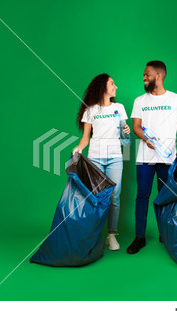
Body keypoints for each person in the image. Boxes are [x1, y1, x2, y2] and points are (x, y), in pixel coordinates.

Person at [127, 61, 177, 254]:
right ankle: (139, 237)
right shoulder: (140, 101)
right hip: (145, 157)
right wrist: (144, 138)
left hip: (167, 157)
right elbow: (136, 126)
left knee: (165, 196)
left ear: (159, 76)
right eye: (144, 75)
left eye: (147, 74)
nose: (144, 77)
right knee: (142, 196)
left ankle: (165, 234)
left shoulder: (176, 99)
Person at [73, 73, 130, 251]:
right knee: (95, 196)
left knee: (114, 195)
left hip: (115, 157)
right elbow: (85, 138)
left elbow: (125, 141)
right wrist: (79, 148)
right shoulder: (90, 110)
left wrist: (126, 132)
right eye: (112, 83)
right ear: (102, 87)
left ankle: (111, 235)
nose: (116, 87)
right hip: (95, 157)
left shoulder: (119, 107)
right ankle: (94, 235)